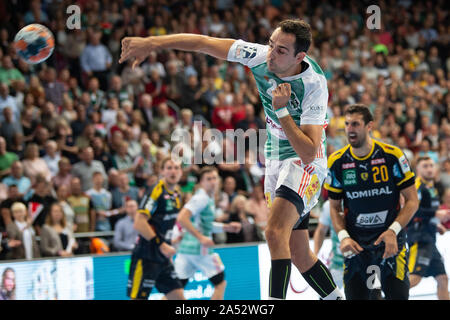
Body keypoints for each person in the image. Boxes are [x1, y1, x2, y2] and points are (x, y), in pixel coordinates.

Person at [120, 18, 343, 300]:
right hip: (274, 157)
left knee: (274, 233)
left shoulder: (313, 84)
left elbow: (309, 151)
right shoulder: (261, 56)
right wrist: (153, 43)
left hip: (305, 162)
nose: (271, 54)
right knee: (299, 254)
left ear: (300, 57)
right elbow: (203, 43)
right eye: (271, 44)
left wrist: (282, 112)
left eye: (281, 51)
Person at [324, 104, 419, 300]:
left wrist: (393, 230)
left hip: (390, 246)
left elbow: (412, 200)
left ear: (369, 126)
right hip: (357, 248)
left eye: (356, 124)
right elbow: (334, 208)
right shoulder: (337, 162)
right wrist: (343, 236)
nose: (350, 129)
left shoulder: (392, 156)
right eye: (347, 124)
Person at [174, 166, 241, 300]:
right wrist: (201, 238)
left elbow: (206, 225)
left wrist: (226, 227)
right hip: (200, 250)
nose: (212, 181)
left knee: (175, 292)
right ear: (201, 182)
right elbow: (182, 218)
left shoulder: (208, 198)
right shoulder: (201, 198)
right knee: (220, 283)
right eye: (208, 179)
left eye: (214, 178)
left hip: (186, 250)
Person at [127, 157, 185, 300]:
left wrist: (167, 246)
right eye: (169, 168)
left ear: (181, 172)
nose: (173, 171)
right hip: (146, 255)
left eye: (176, 168)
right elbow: (139, 222)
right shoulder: (156, 191)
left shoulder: (177, 193)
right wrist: (161, 245)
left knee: (178, 297)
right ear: (162, 171)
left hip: (163, 258)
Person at [406, 156, 449, 300]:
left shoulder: (433, 188)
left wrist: (437, 223)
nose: (429, 169)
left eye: (431, 166)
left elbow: (425, 213)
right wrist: (436, 213)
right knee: (414, 278)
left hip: (430, 239)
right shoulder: (417, 186)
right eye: (425, 166)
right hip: (419, 239)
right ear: (417, 169)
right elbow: (412, 211)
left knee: (442, 278)